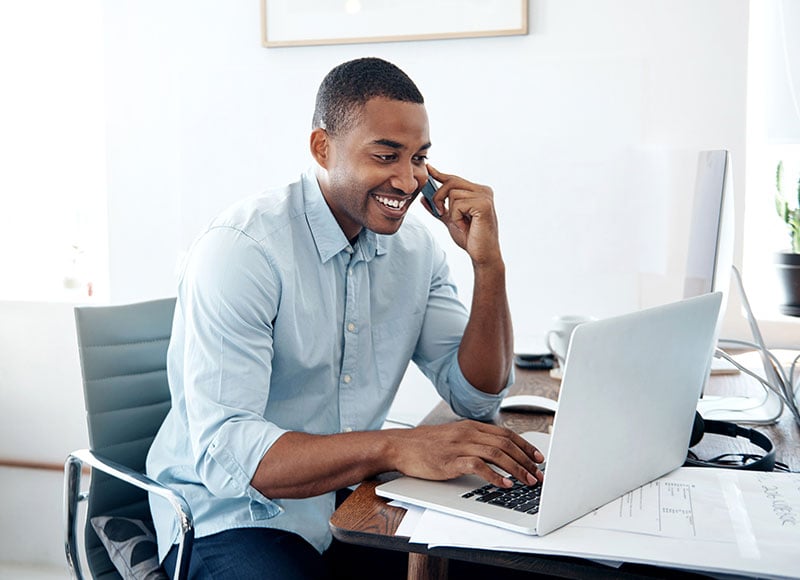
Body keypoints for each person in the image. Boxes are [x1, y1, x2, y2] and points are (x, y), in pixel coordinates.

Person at [147, 56, 544, 579]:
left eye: (420, 158)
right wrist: (396, 446)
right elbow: (233, 455)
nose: (408, 181)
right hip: (231, 515)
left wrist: (488, 266)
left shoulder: (416, 251)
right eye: (386, 156)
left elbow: (476, 394)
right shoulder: (243, 251)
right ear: (322, 148)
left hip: (348, 500)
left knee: (510, 565)